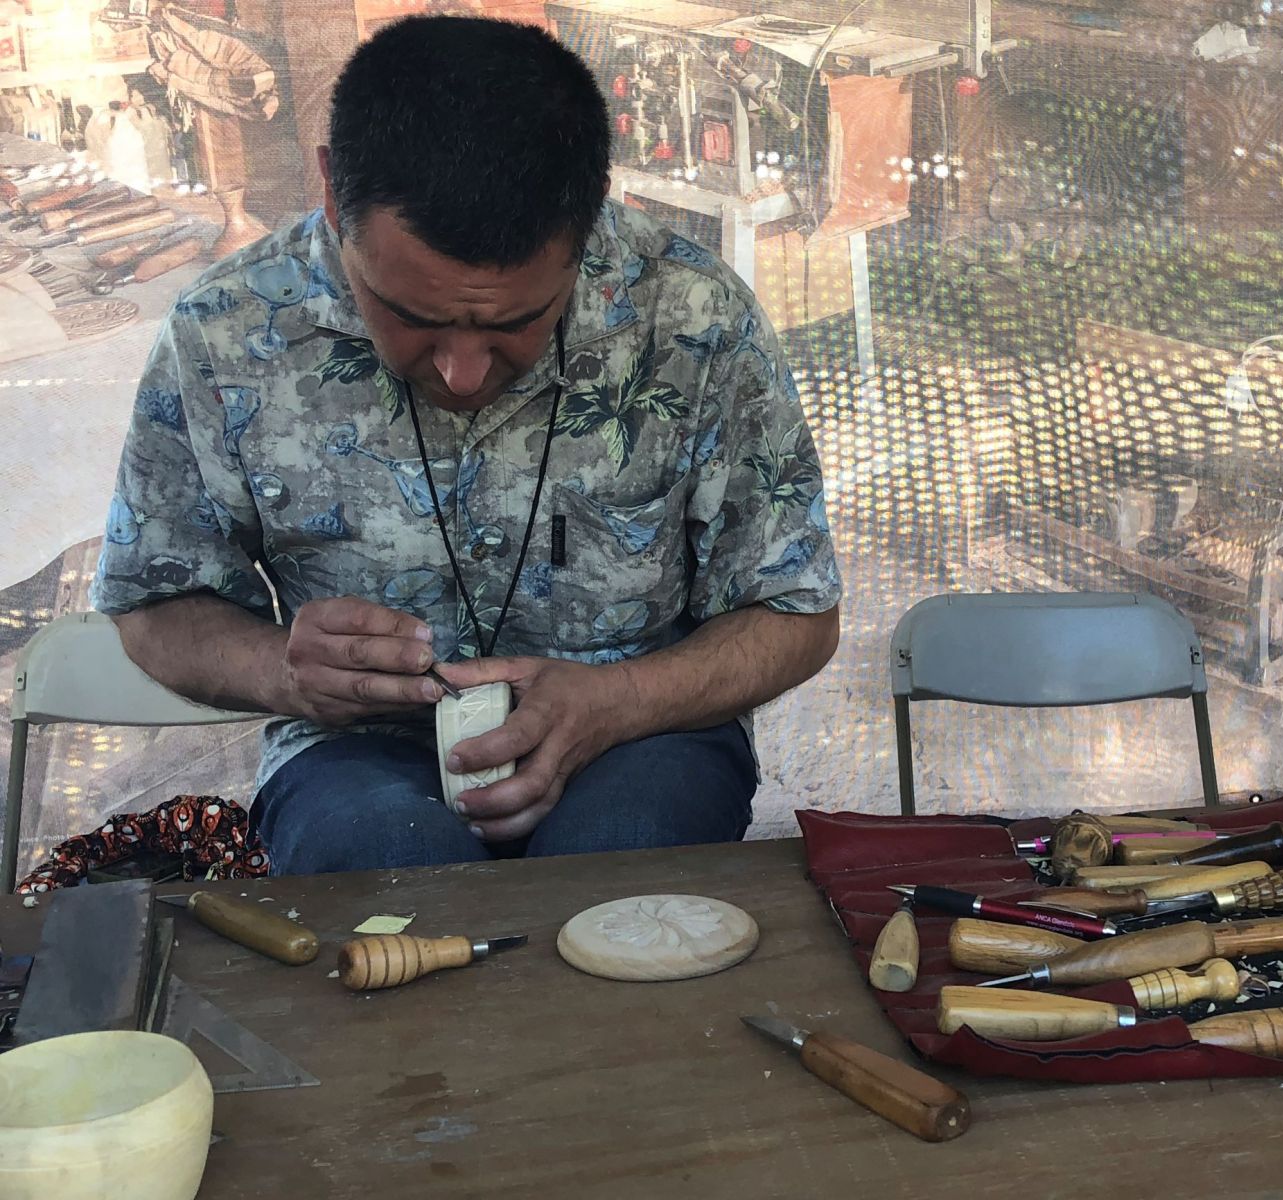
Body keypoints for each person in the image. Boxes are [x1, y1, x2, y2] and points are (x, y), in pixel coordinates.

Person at [91, 16, 842, 875]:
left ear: (590, 211)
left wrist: (621, 699)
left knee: (619, 873)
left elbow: (797, 610)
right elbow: (155, 602)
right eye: (411, 316)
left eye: (519, 322)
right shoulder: (225, 331)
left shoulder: (694, 314)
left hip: (642, 732)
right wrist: (284, 672)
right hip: (357, 751)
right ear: (336, 193)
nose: (459, 371)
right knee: (383, 874)